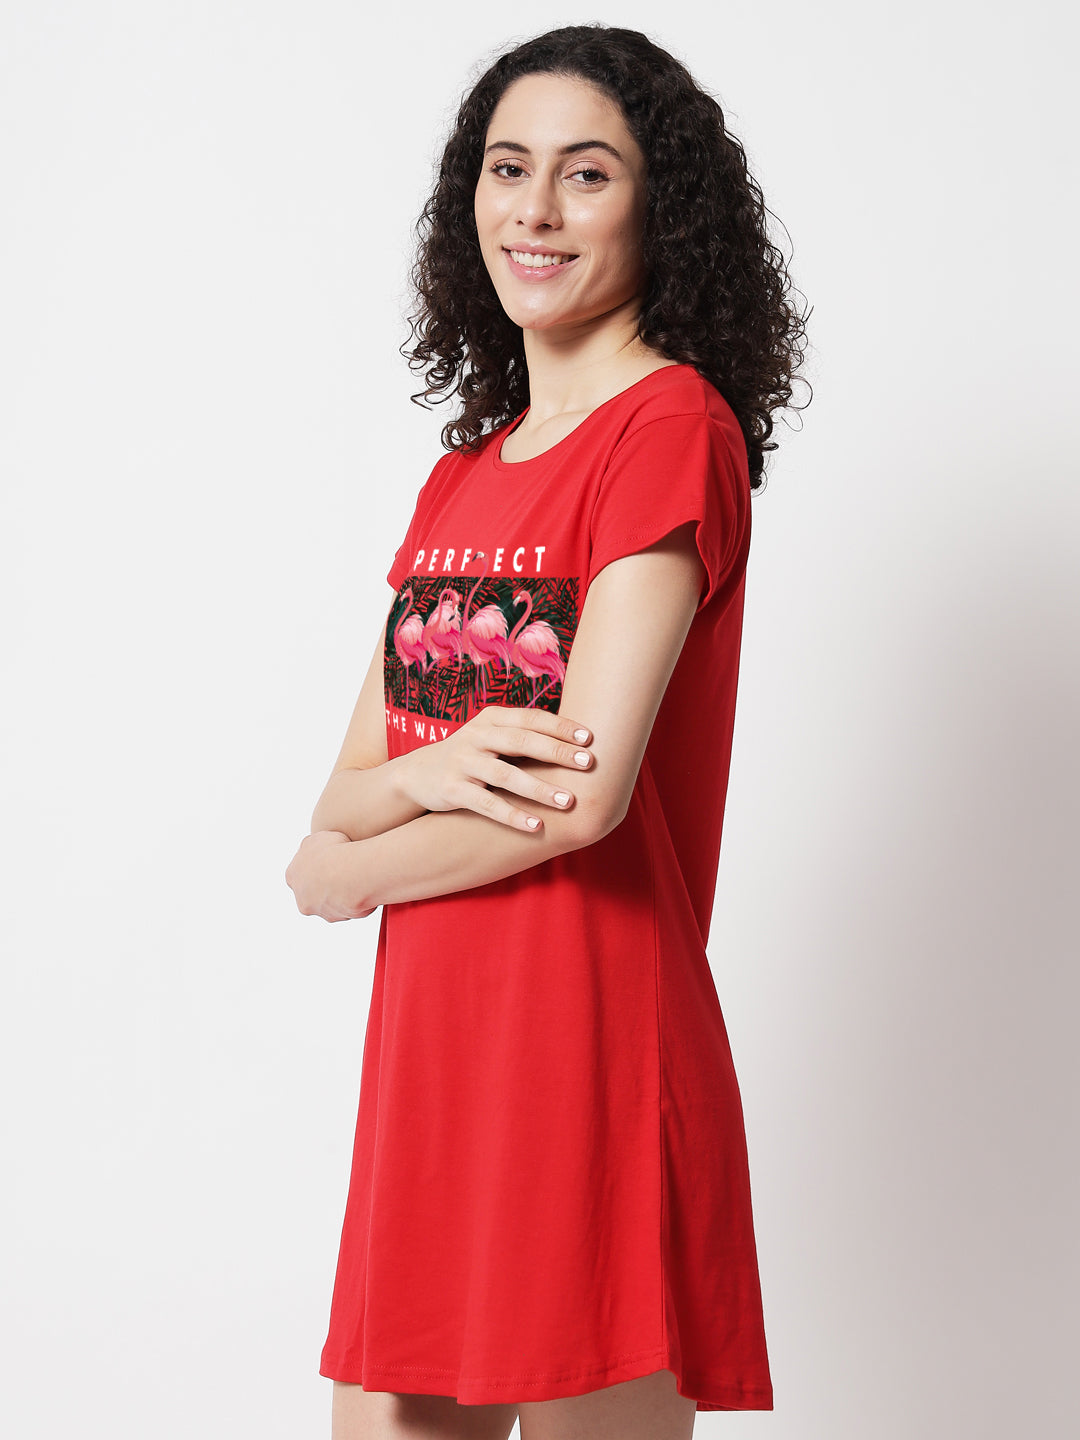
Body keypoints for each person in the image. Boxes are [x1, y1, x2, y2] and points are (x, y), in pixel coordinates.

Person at [285, 23, 809, 1440]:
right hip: (432, 1070)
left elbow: (579, 797)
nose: (537, 209)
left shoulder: (670, 431)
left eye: (587, 173)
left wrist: (348, 864)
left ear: (659, 206)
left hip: (587, 1058)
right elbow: (342, 797)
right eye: (508, 168)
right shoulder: (459, 482)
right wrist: (433, 771)